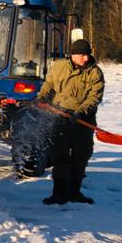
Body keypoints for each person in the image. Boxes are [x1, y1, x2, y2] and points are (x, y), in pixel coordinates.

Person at [36, 38, 105, 205]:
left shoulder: (94, 72)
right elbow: (49, 85)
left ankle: (74, 192)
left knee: (81, 156)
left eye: (87, 55)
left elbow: (94, 97)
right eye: (82, 55)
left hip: (83, 120)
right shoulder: (59, 67)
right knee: (59, 155)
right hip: (59, 117)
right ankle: (58, 194)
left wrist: (80, 113)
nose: (86, 58)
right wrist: (41, 98)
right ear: (73, 55)